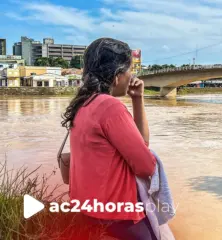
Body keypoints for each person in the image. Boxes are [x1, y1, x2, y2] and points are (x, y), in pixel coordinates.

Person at [61, 38, 157, 240]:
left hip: (88, 211)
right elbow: (146, 166)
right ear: (116, 76)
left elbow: (141, 144)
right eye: (129, 69)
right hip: (118, 216)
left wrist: (137, 99)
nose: (132, 75)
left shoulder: (83, 104)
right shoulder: (110, 107)